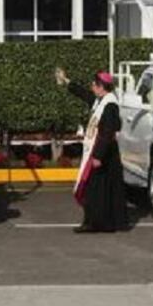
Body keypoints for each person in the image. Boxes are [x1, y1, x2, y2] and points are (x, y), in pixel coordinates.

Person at [56, 67, 127, 233]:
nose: (92, 87)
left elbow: (107, 132)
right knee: (99, 190)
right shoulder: (101, 101)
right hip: (99, 151)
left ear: (102, 87)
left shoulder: (110, 106)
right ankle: (100, 222)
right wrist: (67, 81)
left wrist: (98, 156)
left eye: (94, 85)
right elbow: (83, 94)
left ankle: (94, 223)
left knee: (95, 190)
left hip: (103, 153)